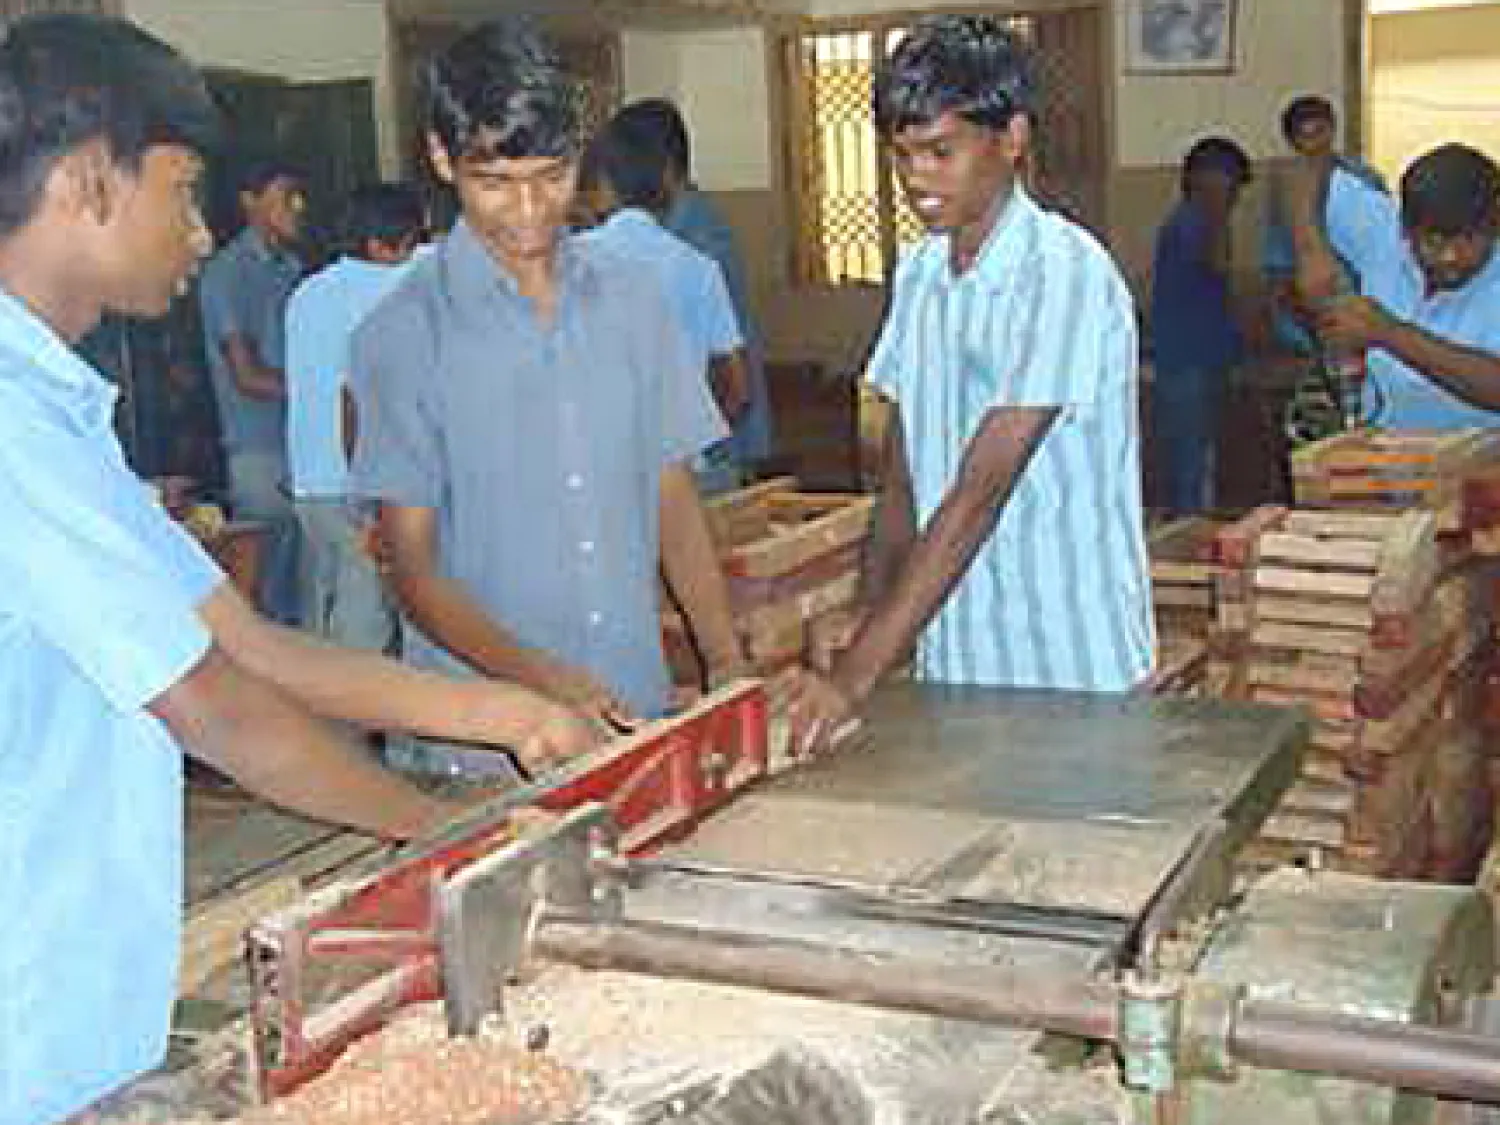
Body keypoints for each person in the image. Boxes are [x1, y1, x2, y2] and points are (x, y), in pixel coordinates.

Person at [0, 17, 595, 1123]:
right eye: (180, 192)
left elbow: (248, 641)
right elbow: (218, 709)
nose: (196, 233)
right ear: (88, 182)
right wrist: (454, 841)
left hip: (77, 998)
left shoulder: (61, 415)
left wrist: (503, 711)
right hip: (25, 1016)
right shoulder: (11, 427)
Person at [352, 18, 749, 776]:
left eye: (552, 176)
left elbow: (672, 496)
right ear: (442, 158)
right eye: (494, 183)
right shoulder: (401, 335)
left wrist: (724, 659)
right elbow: (413, 568)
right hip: (479, 754)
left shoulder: (634, 303)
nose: (529, 209)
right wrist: (546, 682)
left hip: (633, 714)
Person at [779, 15, 1154, 752]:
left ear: (1011, 138)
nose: (917, 177)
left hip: (1071, 667)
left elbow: (980, 491)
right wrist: (867, 602)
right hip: (958, 655)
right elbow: (906, 472)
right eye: (902, 154)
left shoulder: (1064, 274)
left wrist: (853, 677)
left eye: (941, 152)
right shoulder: (922, 275)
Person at [286, 183, 426, 652]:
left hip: (308, 481)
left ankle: (322, 718)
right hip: (356, 484)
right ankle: (353, 724)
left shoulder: (307, 292)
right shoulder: (389, 288)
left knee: (324, 615)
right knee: (365, 629)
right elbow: (356, 401)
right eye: (411, 240)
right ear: (380, 246)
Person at [579, 115, 749, 490]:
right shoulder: (698, 267)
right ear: (666, 185)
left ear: (604, 185)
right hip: (686, 472)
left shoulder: (571, 263)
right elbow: (736, 388)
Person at [1285, 141, 1500, 428]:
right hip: (1384, 453)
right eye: (1434, 242)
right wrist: (1310, 250)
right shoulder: (1380, 230)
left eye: (1470, 240)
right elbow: (1308, 167)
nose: (1451, 257)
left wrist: (1388, 333)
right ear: (1405, 229)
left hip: (1481, 466)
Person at [611, 98, 775, 473]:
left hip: (710, 448)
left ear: (662, 169)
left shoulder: (695, 240)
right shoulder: (679, 230)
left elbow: (730, 380)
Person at [198, 158, 307, 625]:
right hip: (257, 448)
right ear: (250, 202)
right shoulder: (226, 274)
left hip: (296, 441)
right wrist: (315, 393)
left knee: (297, 585)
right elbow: (247, 376)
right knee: (263, 590)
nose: (299, 207)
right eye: (287, 195)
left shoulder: (293, 267)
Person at [1263, 95, 1388, 440]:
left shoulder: (1363, 179)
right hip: (1313, 323)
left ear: (1334, 130)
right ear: (1292, 142)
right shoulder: (1288, 190)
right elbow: (1280, 264)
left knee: (1368, 413)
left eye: (1322, 133)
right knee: (1324, 424)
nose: (1316, 146)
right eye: (1306, 137)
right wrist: (1296, 317)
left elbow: (1386, 247)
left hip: (1364, 314)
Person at [1150, 136, 1251, 513]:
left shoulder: (1192, 220)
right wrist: (1219, 216)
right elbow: (1220, 264)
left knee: (1196, 460)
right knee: (1192, 466)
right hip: (1187, 364)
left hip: (1198, 361)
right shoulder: (1194, 223)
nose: (1236, 198)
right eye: (1231, 187)